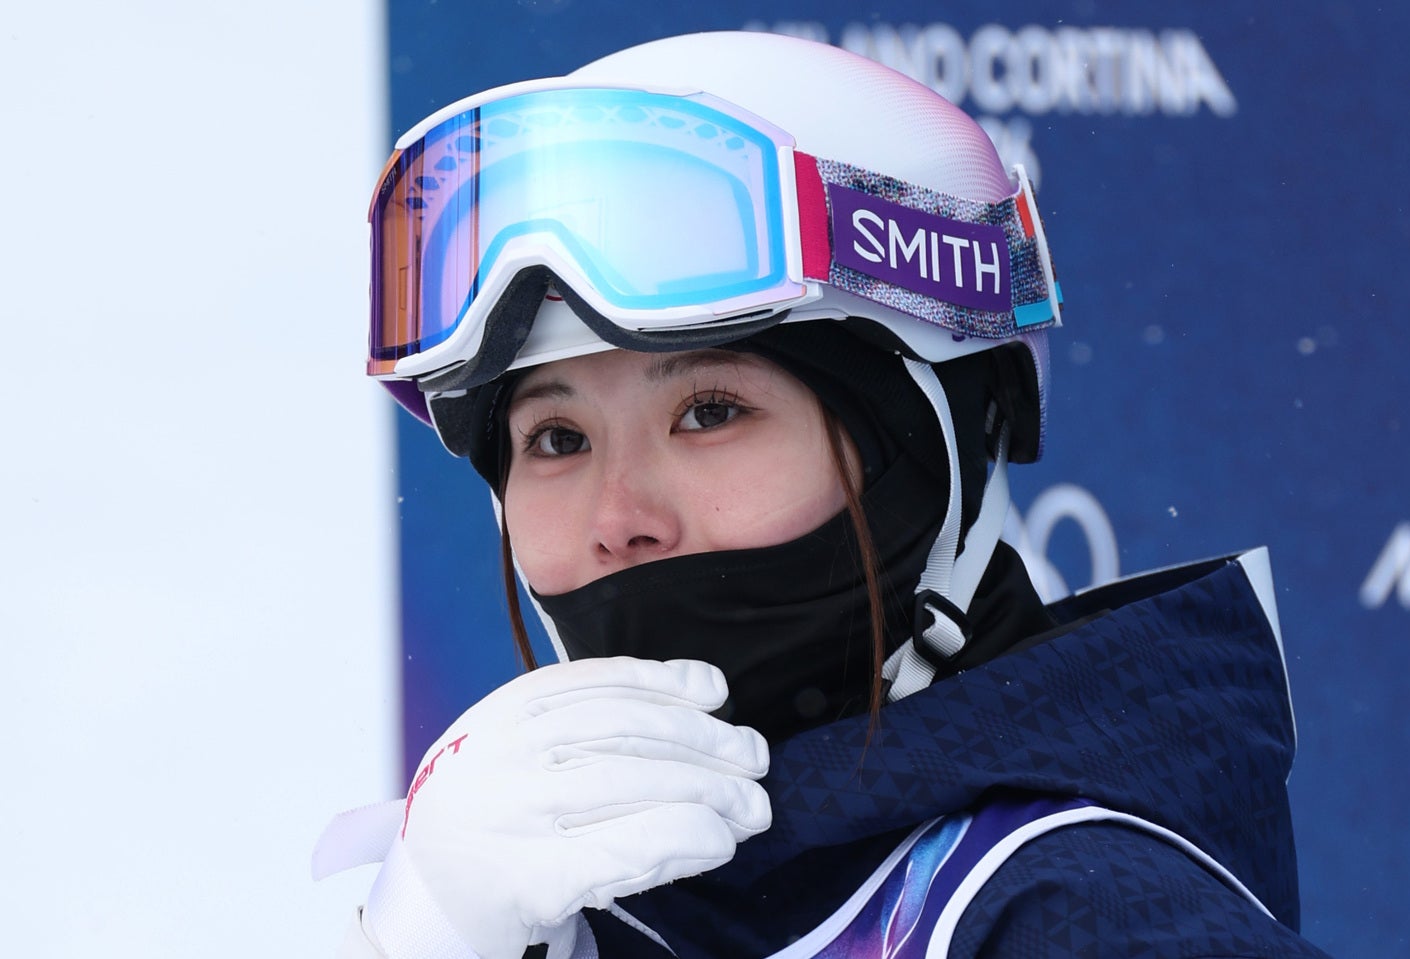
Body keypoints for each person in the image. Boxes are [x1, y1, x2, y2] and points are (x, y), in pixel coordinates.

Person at [313, 30, 1333, 959]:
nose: (619, 517)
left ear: (941, 444)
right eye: (557, 439)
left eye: (710, 412)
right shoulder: (555, 903)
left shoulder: (1079, 916)